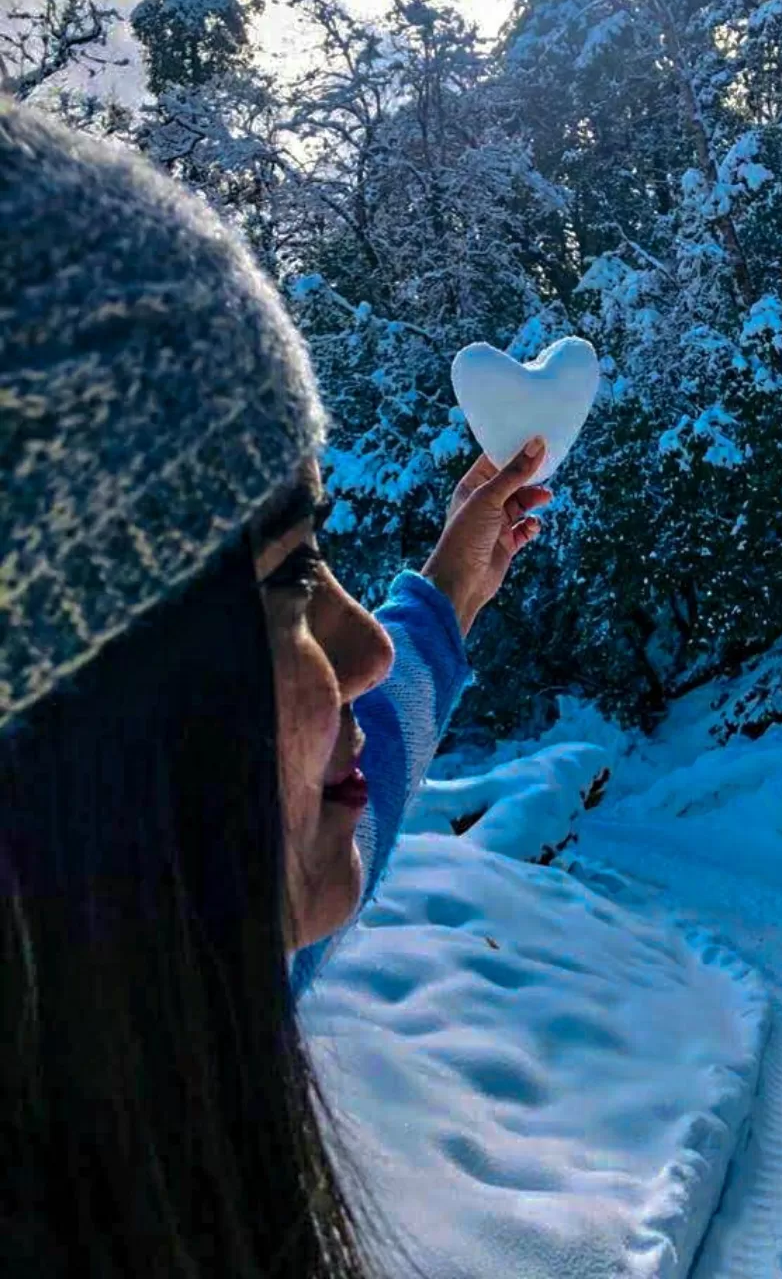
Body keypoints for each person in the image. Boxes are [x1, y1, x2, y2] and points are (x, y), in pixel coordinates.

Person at [0, 99, 551, 1278]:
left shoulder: (131, 985)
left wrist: (453, 591)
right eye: (293, 577)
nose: (368, 652)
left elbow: (341, 793)